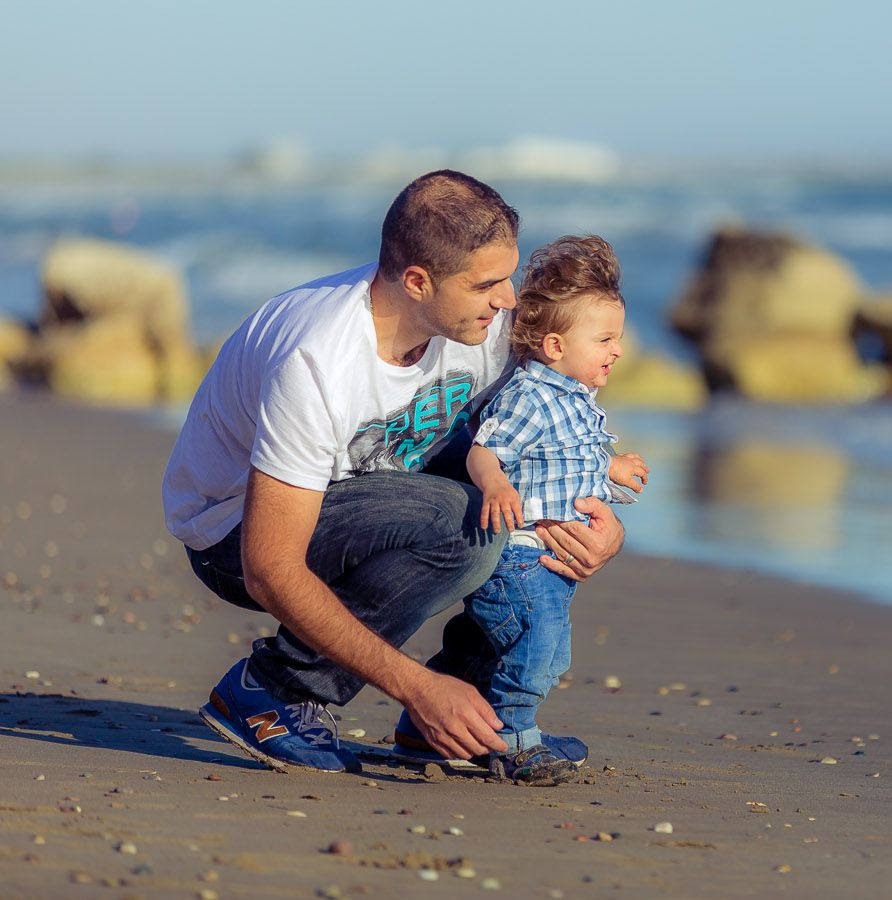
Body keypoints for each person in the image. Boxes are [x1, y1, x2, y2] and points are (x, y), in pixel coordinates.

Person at [161, 171, 624, 774]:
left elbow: (543, 430)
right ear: (417, 282)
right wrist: (413, 687)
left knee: (516, 500)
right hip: (233, 529)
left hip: (368, 482)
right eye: (486, 284)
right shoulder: (318, 361)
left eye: (508, 277)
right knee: (463, 527)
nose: (509, 299)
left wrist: (597, 520)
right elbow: (268, 568)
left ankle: (476, 719)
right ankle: (273, 692)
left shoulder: (482, 325)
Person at [418, 235, 649, 785]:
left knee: (493, 645)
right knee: (539, 645)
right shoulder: (530, 395)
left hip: (545, 555)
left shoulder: (570, 395)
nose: (617, 350)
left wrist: (610, 466)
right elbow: (486, 451)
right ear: (552, 345)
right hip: (519, 553)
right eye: (606, 339)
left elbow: (565, 455)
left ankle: (423, 731)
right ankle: (516, 737)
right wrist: (495, 487)